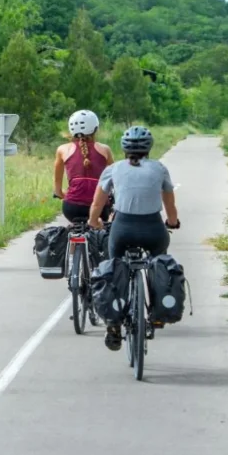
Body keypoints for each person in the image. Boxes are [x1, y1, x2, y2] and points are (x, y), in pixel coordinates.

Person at [88, 125, 180, 351]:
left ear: (124, 149)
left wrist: (93, 222)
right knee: (159, 262)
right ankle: (158, 312)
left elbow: (98, 203)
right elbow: (169, 203)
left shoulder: (114, 169)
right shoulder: (159, 168)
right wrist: (172, 222)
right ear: (149, 148)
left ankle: (113, 322)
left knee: (115, 265)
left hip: (122, 229)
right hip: (153, 230)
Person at [53, 110, 113, 222]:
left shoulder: (62, 149)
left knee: (74, 232)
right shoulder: (105, 149)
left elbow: (57, 181)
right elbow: (115, 176)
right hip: (99, 208)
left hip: (72, 208)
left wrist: (60, 193)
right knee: (102, 234)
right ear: (96, 129)